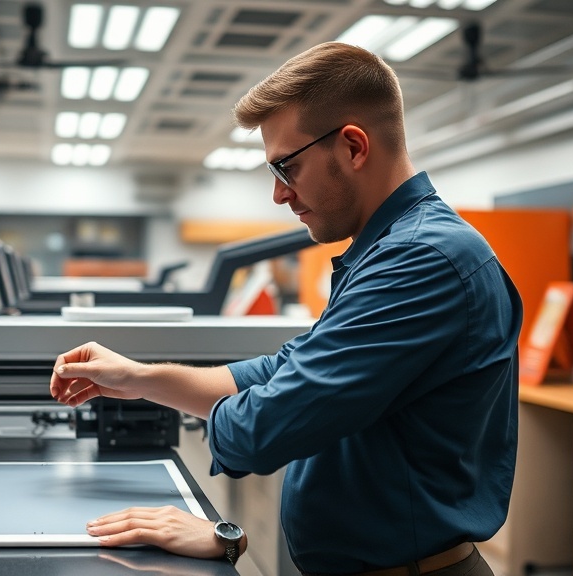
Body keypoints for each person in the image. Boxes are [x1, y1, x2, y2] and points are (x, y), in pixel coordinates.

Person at [50, 41, 522, 576]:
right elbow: (282, 371)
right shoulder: (387, 248)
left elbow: (265, 426)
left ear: (353, 147)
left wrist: (229, 530)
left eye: (286, 168)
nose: (279, 195)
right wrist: (140, 379)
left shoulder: (423, 259)